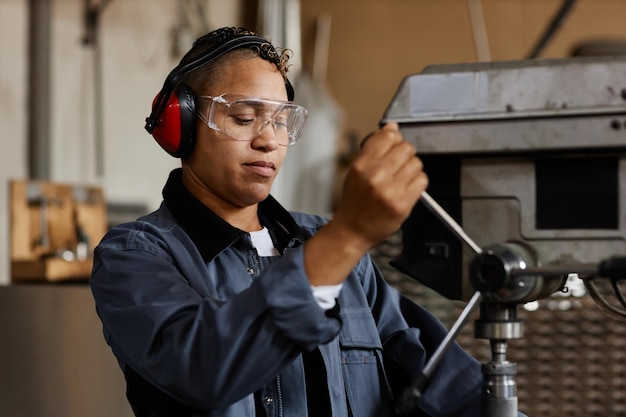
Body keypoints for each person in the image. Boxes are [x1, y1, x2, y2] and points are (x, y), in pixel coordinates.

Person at [90, 26, 497, 417]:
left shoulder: (339, 255)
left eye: (281, 121)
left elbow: (447, 387)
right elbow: (203, 369)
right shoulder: (135, 256)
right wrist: (348, 234)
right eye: (245, 118)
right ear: (183, 124)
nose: (269, 140)